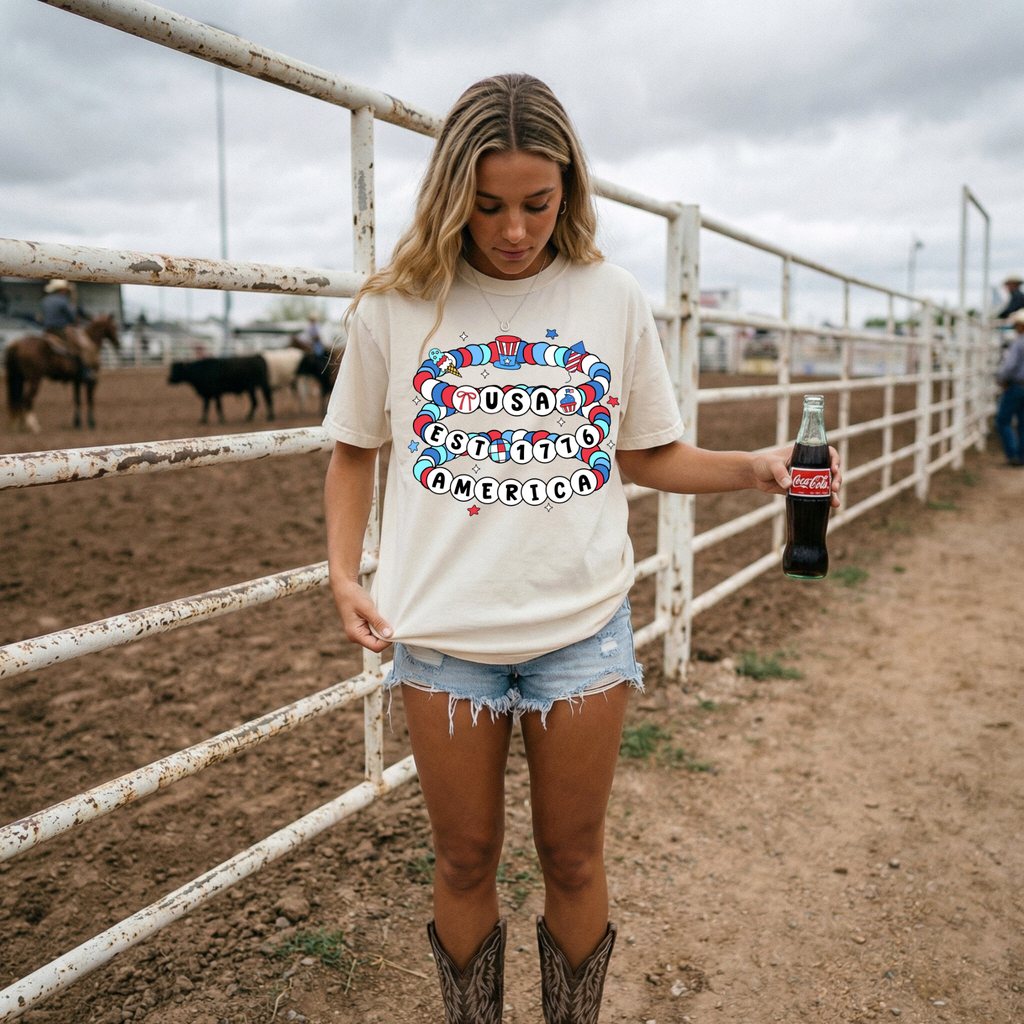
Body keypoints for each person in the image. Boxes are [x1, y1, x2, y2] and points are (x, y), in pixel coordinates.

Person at [322, 74, 841, 1024]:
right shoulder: (395, 306)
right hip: (441, 634)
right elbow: (355, 450)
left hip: (583, 632)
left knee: (572, 855)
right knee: (465, 857)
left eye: (536, 204)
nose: (513, 229)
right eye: (486, 207)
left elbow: (647, 452)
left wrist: (755, 469)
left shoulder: (612, 296)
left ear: (570, 192)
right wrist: (343, 575)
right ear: (450, 196)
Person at [41, 278, 95, 382]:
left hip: (48, 330)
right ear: (63, 290)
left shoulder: (46, 300)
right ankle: (85, 372)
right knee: (79, 347)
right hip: (61, 329)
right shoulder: (64, 300)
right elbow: (71, 316)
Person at [995, 310, 1024, 466]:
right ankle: (1021, 455)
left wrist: (1003, 378)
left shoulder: (1019, 343)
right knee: (1023, 422)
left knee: (1002, 419)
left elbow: (1011, 365)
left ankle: (1012, 454)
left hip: (1017, 385)